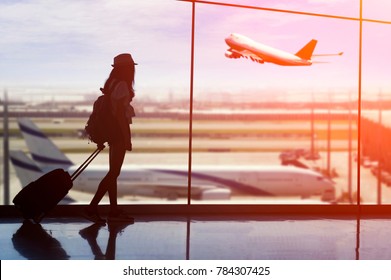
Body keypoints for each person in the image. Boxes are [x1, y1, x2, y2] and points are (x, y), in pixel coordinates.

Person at [83, 53, 137, 224]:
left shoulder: (111, 83)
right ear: (128, 69)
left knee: (113, 173)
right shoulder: (122, 85)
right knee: (114, 172)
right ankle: (92, 208)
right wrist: (127, 138)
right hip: (117, 133)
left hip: (111, 131)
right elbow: (120, 116)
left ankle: (113, 210)